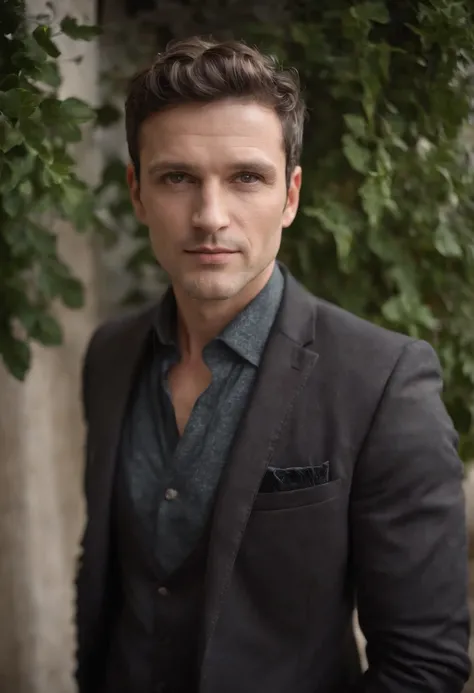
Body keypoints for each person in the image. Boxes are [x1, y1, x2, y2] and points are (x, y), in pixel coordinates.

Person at [75, 36, 471, 693]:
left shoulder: (384, 381)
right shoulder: (110, 356)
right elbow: (106, 572)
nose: (210, 216)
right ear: (137, 193)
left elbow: (423, 667)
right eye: (178, 177)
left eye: (245, 178)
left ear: (289, 196)